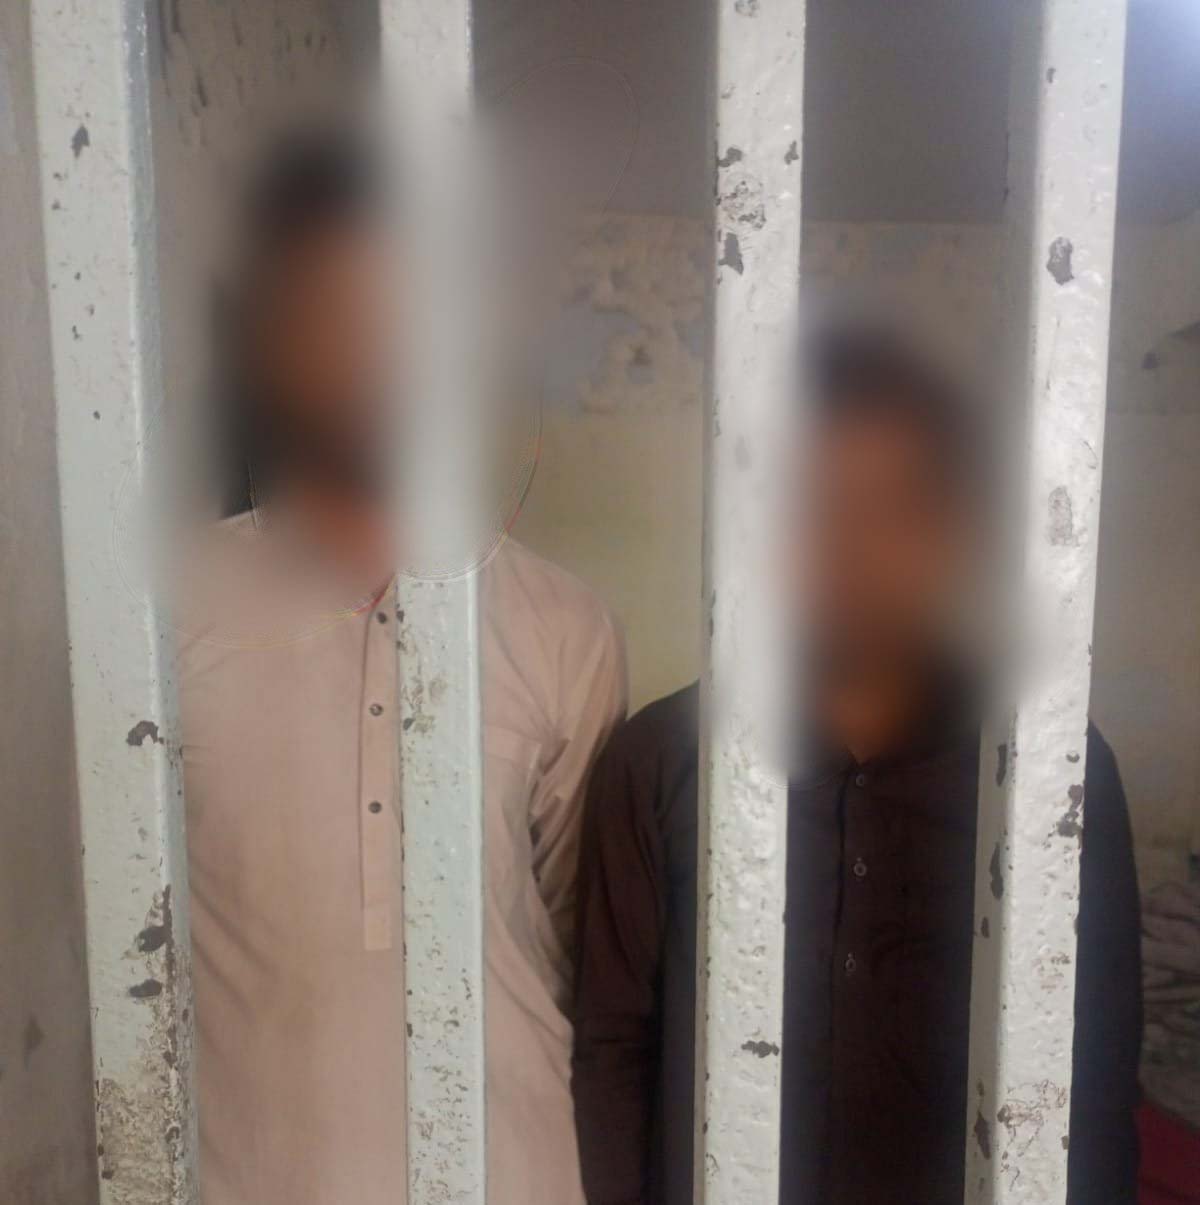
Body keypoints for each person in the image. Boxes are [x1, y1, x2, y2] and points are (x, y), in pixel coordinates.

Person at [572, 328, 1142, 1204]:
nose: (854, 550)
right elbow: (614, 1050)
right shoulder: (660, 763)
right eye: (811, 505)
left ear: (956, 531)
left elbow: (1093, 1063)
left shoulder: (1049, 767)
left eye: (897, 509)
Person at [178, 134, 626, 1205]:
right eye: (330, 314)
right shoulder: (168, 609)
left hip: (512, 1176)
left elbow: (573, 935)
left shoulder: (563, 626)